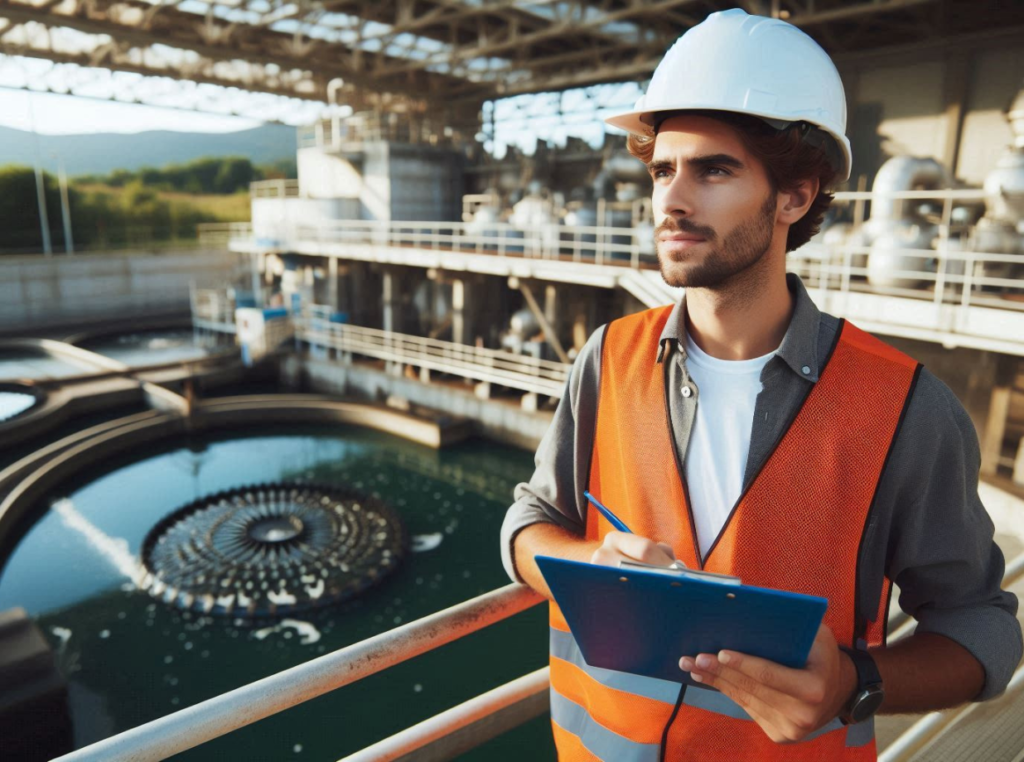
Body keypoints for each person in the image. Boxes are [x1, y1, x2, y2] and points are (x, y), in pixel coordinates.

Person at [500, 8, 1022, 761]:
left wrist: (853, 684)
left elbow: (984, 633)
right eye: (662, 170)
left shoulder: (907, 411)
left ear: (795, 198)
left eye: (713, 170)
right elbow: (529, 520)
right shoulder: (607, 358)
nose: (671, 201)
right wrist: (589, 561)